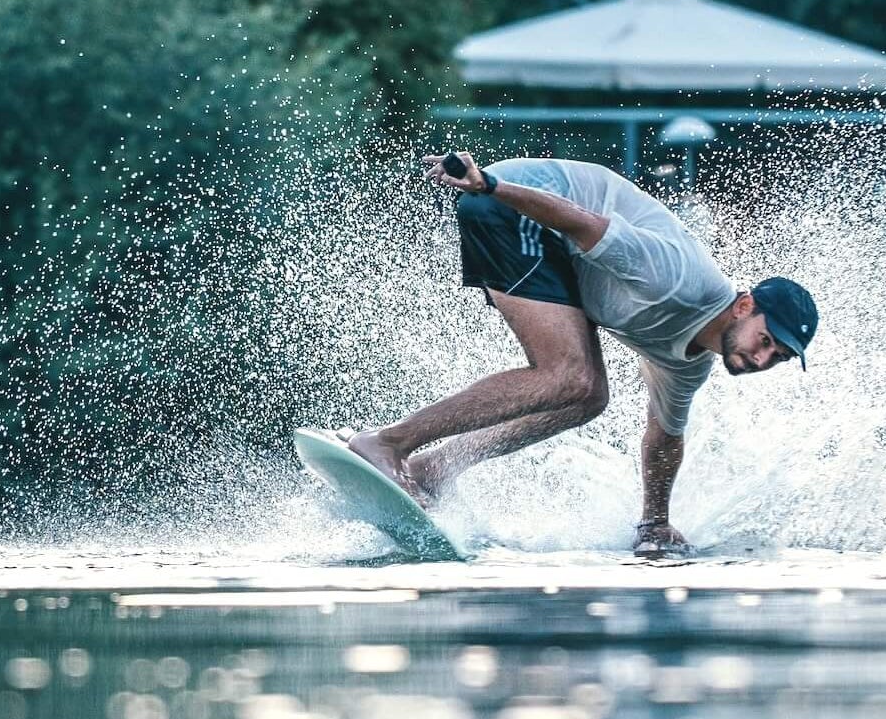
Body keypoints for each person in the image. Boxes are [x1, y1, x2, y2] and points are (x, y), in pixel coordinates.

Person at [346, 151, 818, 557]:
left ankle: (435, 468)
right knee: (568, 375)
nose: (762, 359)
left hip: (555, 247)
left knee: (588, 397)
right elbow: (581, 223)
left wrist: (654, 525)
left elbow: (664, 438)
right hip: (519, 205)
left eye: (777, 357)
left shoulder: (687, 365)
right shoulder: (678, 280)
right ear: (744, 307)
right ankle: (387, 443)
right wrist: (488, 184)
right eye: (765, 340)